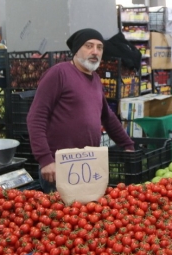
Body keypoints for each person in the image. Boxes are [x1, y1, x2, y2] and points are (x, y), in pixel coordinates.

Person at [27, 28, 135, 193]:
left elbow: (108, 117)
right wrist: (45, 160)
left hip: (88, 167)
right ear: (76, 50)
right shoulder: (59, 73)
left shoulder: (96, 79)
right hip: (60, 168)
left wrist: (128, 145)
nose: (95, 51)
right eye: (89, 46)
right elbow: (36, 117)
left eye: (99, 47)